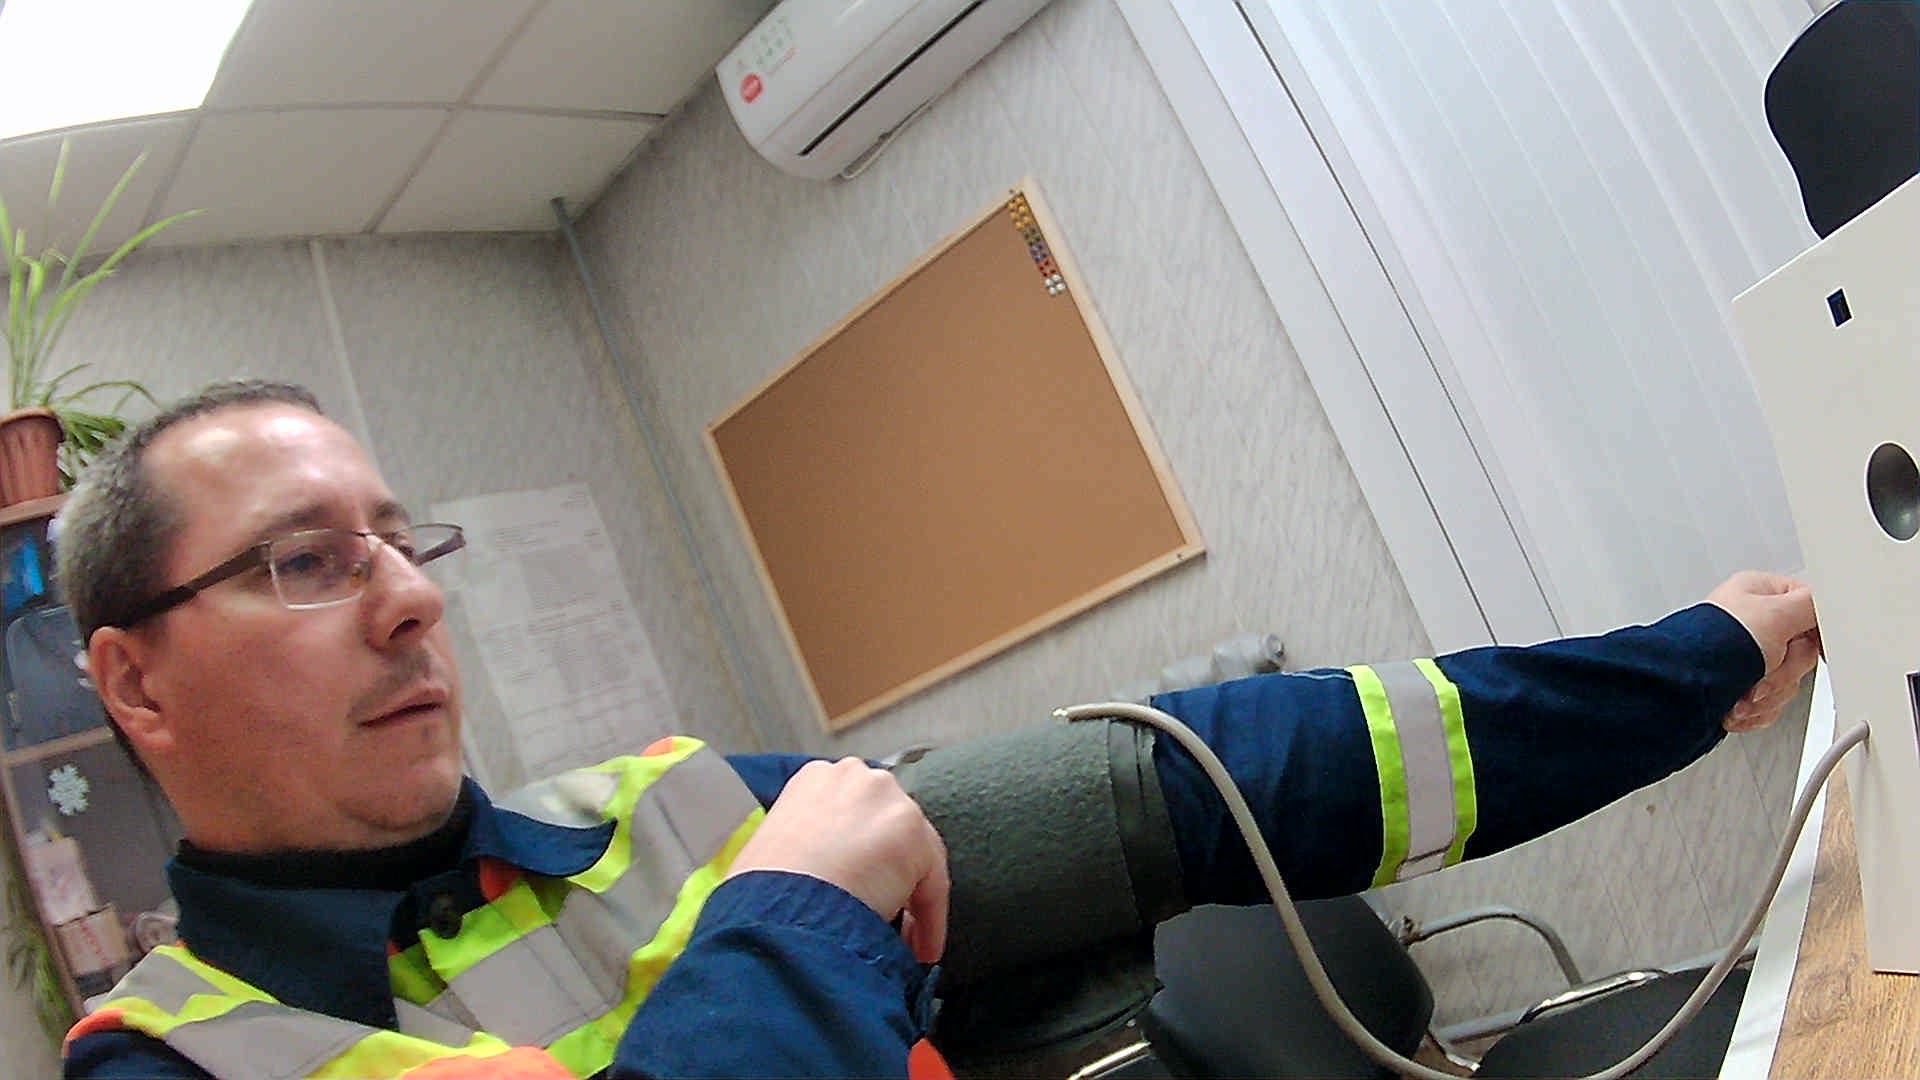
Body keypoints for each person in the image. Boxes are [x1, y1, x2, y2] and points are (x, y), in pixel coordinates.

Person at [53, 379, 1818, 1079]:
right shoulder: (168, 1064)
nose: (408, 599)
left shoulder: (664, 807)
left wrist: (1682, 669)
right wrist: (801, 917)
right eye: (303, 561)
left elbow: (1195, 786)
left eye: (401, 542)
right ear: (136, 685)